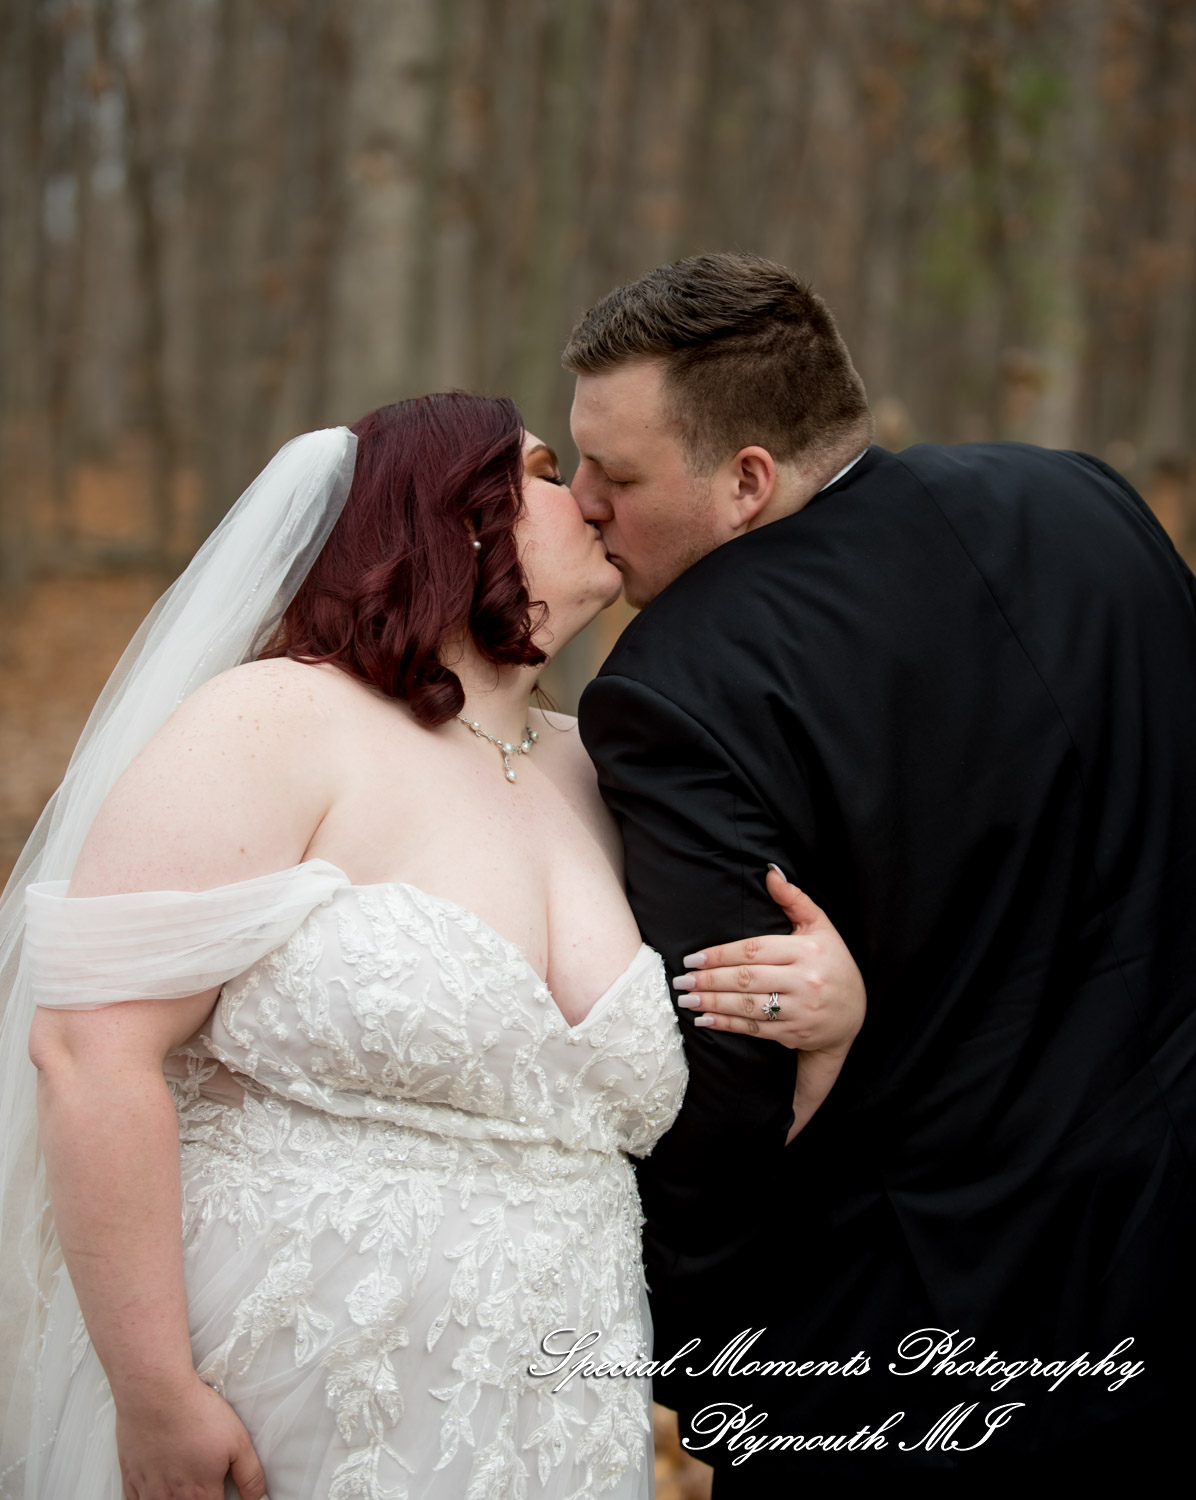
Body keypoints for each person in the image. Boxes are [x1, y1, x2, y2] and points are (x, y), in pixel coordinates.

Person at [0, 392, 865, 1500]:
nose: (588, 498)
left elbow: (699, 1097)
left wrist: (827, 1009)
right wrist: (154, 1388)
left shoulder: (612, 767)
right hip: (288, 1390)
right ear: (457, 519)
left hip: (561, 1404)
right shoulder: (276, 720)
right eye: (548, 474)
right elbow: (88, 1051)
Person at [566, 252, 1196, 1486]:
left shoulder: (676, 685)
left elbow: (725, 1069)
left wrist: (704, 1357)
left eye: (617, 475)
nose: (582, 499)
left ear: (745, 480)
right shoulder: (1083, 504)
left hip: (909, 1338)